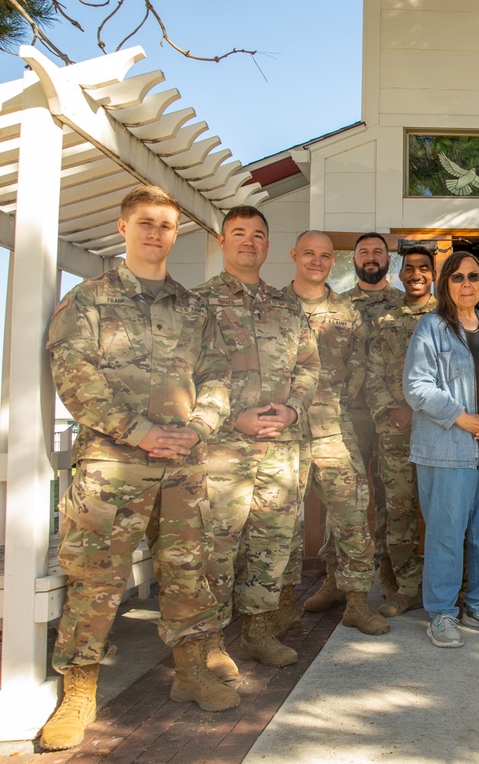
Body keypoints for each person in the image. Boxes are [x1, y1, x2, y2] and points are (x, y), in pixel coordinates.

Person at [40, 186, 239, 751]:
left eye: (167, 226)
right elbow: (74, 374)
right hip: (112, 465)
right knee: (95, 578)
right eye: (146, 223)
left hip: (182, 465)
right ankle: (79, 692)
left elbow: (220, 376)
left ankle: (191, 670)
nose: (156, 233)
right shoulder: (88, 301)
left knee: (187, 571)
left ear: (177, 234)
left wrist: (197, 428)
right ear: (123, 227)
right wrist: (139, 431)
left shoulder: (195, 308)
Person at [193, 206, 319, 673]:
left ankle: (257, 632)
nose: (249, 241)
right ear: (222, 241)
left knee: (272, 544)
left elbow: (308, 365)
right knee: (216, 547)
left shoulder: (287, 306)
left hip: (279, 449)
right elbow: (183, 374)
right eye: (239, 233)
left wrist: (293, 408)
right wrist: (232, 418)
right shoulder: (197, 303)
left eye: (258, 235)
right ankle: (206, 643)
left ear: (268, 245)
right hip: (223, 450)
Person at [403, 251, 479, 648]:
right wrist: (461, 417)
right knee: (446, 532)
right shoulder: (430, 327)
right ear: (445, 284)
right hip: (447, 447)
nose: (467, 284)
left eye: (473, 276)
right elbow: (417, 386)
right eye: (458, 277)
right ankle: (441, 613)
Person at [284, 231, 388, 635]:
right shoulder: (274, 305)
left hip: (333, 426)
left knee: (352, 514)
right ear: (295, 255)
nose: (316, 261)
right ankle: (277, 608)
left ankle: (356, 601)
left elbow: (362, 364)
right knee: (279, 521)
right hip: (282, 431)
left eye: (325, 255)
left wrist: (338, 402)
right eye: (308, 253)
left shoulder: (347, 311)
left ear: (332, 261)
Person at [367, 245, 439, 617]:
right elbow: (372, 372)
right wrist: (392, 411)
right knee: (398, 512)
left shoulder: (446, 319)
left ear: (433, 274)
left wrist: (421, 410)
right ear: (399, 273)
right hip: (394, 431)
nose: (415, 274)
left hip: (439, 430)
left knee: (442, 510)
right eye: (409, 268)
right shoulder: (384, 321)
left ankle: (445, 587)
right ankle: (406, 587)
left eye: (423, 268)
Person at [341, 232, 405, 601]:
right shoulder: (337, 304)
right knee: (344, 498)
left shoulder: (401, 305)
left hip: (390, 416)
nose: (370, 257)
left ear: (388, 260)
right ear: (354, 259)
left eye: (377, 251)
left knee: (389, 499)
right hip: (347, 414)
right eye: (363, 251)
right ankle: (336, 577)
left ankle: (388, 574)